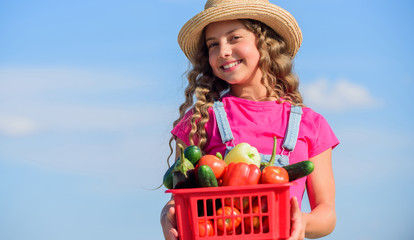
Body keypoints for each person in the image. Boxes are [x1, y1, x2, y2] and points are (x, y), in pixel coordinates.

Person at [160, 0, 339, 239]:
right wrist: (166, 218)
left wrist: (302, 222)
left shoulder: (311, 124)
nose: (222, 51)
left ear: (266, 44)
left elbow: (327, 214)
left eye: (234, 38)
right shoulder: (200, 119)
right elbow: (179, 200)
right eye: (213, 44)